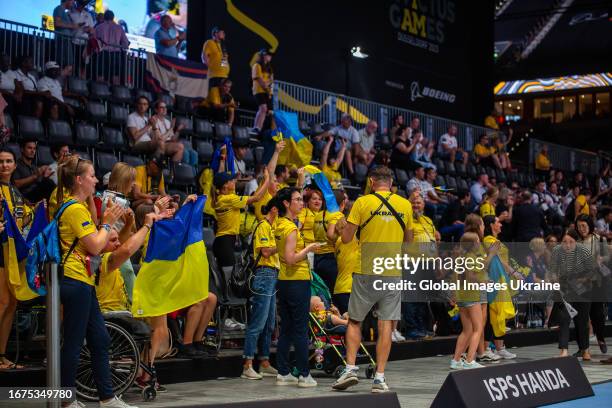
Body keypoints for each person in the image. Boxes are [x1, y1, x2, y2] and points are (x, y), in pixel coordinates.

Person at [54, 155, 137, 408]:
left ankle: (107, 397)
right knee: (74, 343)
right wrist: (107, 223)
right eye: (92, 176)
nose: (96, 180)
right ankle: (67, 402)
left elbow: (98, 248)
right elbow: (93, 244)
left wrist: (109, 235)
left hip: (84, 280)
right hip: (74, 279)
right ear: (79, 180)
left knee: (100, 338)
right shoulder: (74, 208)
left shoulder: (79, 207)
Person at [333, 166, 413, 393]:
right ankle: (379, 378)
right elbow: (409, 243)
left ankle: (350, 369)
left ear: (371, 181)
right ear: (390, 183)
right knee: (385, 323)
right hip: (391, 270)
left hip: (366, 268)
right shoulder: (405, 205)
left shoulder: (362, 202)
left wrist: (342, 228)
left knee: (355, 321)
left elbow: (347, 239)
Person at [273, 188, 321, 387]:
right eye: (298, 200)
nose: (302, 203)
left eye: (302, 199)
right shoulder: (291, 229)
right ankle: (304, 375)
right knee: (300, 329)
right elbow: (291, 258)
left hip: (284, 281)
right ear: (286, 203)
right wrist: (309, 248)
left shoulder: (280, 224)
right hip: (296, 281)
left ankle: (283, 372)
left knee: (287, 328)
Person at [0, 148, 32, 370]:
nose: (4, 165)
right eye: (0, 161)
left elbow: (24, 219)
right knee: (2, 302)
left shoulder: (16, 192)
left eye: (8, 161)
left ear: (14, 165)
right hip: (0, 253)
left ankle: (2, 355)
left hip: (13, 254)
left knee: (11, 303)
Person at [241, 200, 280, 380]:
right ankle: (247, 364)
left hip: (273, 274)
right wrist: (283, 243)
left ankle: (264, 362)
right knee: (258, 322)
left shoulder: (274, 227)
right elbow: (265, 252)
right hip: (264, 274)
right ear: (274, 209)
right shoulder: (263, 226)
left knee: (270, 323)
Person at [547, 229, 595, 359]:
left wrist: (578, 280)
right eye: (564, 242)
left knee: (582, 321)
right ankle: (564, 350)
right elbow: (552, 270)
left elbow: (592, 272)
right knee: (564, 319)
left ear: (577, 241)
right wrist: (554, 279)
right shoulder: (557, 251)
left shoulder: (584, 251)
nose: (567, 245)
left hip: (584, 288)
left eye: (571, 242)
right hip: (565, 288)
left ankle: (585, 350)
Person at [212, 170, 269, 268]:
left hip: (224, 241)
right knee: (229, 279)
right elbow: (256, 197)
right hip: (225, 242)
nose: (234, 181)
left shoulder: (224, 197)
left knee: (230, 277)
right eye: (231, 180)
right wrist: (267, 179)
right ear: (225, 185)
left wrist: (262, 180)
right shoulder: (228, 199)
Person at [482, 216, 518, 360]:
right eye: (498, 222)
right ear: (491, 225)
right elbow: (496, 258)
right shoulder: (489, 240)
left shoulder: (494, 240)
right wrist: (513, 271)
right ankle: (489, 348)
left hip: (501, 277)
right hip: (494, 278)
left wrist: (512, 272)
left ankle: (500, 348)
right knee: (495, 313)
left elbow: (501, 260)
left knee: (500, 314)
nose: (501, 224)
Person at [450, 232, 486, 369]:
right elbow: (471, 276)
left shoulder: (460, 257)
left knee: (467, 330)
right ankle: (470, 360)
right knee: (478, 328)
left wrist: (454, 294)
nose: (479, 243)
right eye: (477, 241)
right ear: (473, 244)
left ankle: (456, 360)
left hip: (462, 296)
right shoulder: (471, 257)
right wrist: (483, 281)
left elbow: (456, 277)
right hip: (471, 295)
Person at [575, 214, 609, 355]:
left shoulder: (600, 239)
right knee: (582, 316)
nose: (581, 229)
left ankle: (601, 338)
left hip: (597, 282)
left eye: (584, 225)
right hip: (582, 283)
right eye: (579, 226)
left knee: (598, 314)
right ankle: (583, 348)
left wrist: (601, 258)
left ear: (590, 225)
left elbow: (607, 256)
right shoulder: (576, 243)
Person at [313, 190, 347, 293]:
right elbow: (330, 234)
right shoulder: (337, 215)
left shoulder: (318, 215)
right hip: (331, 258)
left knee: (322, 291)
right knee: (332, 291)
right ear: (342, 203)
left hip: (317, 258)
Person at [94, 10, 130, 85]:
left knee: (101, 74)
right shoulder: (119, 28)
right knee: (115, 76)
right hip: (116, 55)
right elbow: (125, 43)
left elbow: (94, 40)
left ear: (104, 17)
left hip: (102, 53)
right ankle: (114, 94)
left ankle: (100, 93)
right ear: (113, 18)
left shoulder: (99, 27)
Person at [151, 100, 191, 165]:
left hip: (169, 143)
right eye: (162, 107)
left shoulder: (167, 121)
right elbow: (160, 139)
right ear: (156, 110)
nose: (164, 109)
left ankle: (188, 172)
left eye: (165, 107)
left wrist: (178, 130)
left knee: (192, 153)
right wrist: (171, 128)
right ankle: (173, 170)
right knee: (180, 147)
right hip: (159, 145)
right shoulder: (153, 120)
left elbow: (173, 139)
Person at [251, 49, 274, 133]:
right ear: (263, 55)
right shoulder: (257, 65)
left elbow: (271, 80)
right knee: (263, 108)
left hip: (267, 92)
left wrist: (269, 91)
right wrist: (266, 86)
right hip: (259, 90)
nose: (270, 57)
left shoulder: (269, 68)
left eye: (270, 55)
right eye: (268, 55)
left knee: (268, 112)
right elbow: (260, 80)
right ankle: (257, 127)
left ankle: (260, 128)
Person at [53, 0, 77, 69]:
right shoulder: (59, 8)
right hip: (62, 40)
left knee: (68, 64)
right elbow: (57, 23)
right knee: (64, 63)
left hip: (66, 40)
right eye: (72, 1)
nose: (73, 3)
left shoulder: (65, 12)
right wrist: (72, 26)